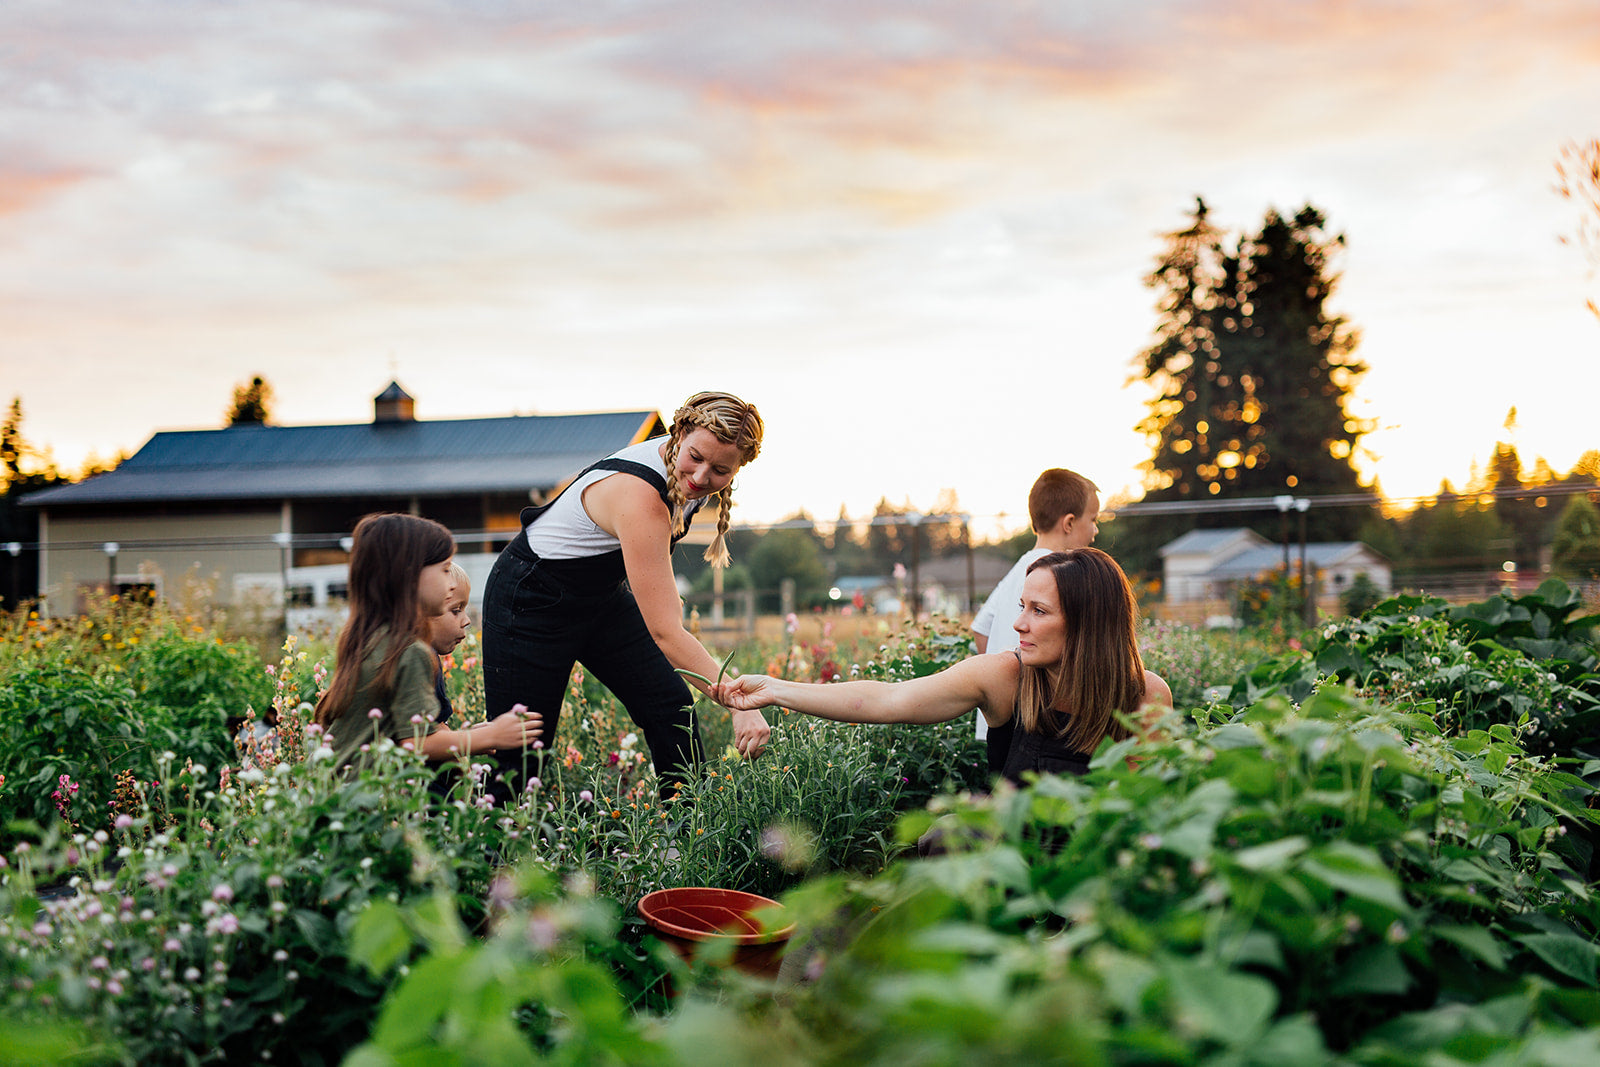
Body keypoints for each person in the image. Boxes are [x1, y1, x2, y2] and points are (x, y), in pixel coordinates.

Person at [482, 390, 771, 801]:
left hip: (597, 597)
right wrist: (739, 704)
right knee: (523, 747)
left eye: (721, 470)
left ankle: (688, 835)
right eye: (696, 457)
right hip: (531, 599)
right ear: (679, 432)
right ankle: (485, 852)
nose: (702, 477)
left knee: (671, 706)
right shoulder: (640, 494)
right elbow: (667, 633)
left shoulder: (690, 480)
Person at [721, 548, 1171, 787]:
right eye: (1021, 606)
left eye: (1039, 611)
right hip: (1008, 874)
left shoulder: (1146, 697)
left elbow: (1147, 811)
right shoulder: (1005, 677)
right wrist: (776, 689)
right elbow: (889, 699)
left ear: (1087, 623)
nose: (1018, 623)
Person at [314, 513, 542, 773]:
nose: (449, 582)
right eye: (445, 569)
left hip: (335, 791)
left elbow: (403, 733)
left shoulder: (373, 638)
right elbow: (418, 743)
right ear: (410, 576)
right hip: (366, 802)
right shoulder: (410, 651)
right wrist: (489, 737)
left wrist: (473, 735)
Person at [971, 469, 1100, 776]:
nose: (1095, 531)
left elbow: (980, 629)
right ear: (1069, 523)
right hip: (1026, 722)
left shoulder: (1021, 567)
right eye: (1093, 520)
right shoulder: (1050, 576)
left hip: (1001, 719)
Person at [426, 561, 473, 724]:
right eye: (456, 610)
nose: (466, 620)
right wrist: (491, 736)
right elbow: (431, 738)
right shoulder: (424, 656)